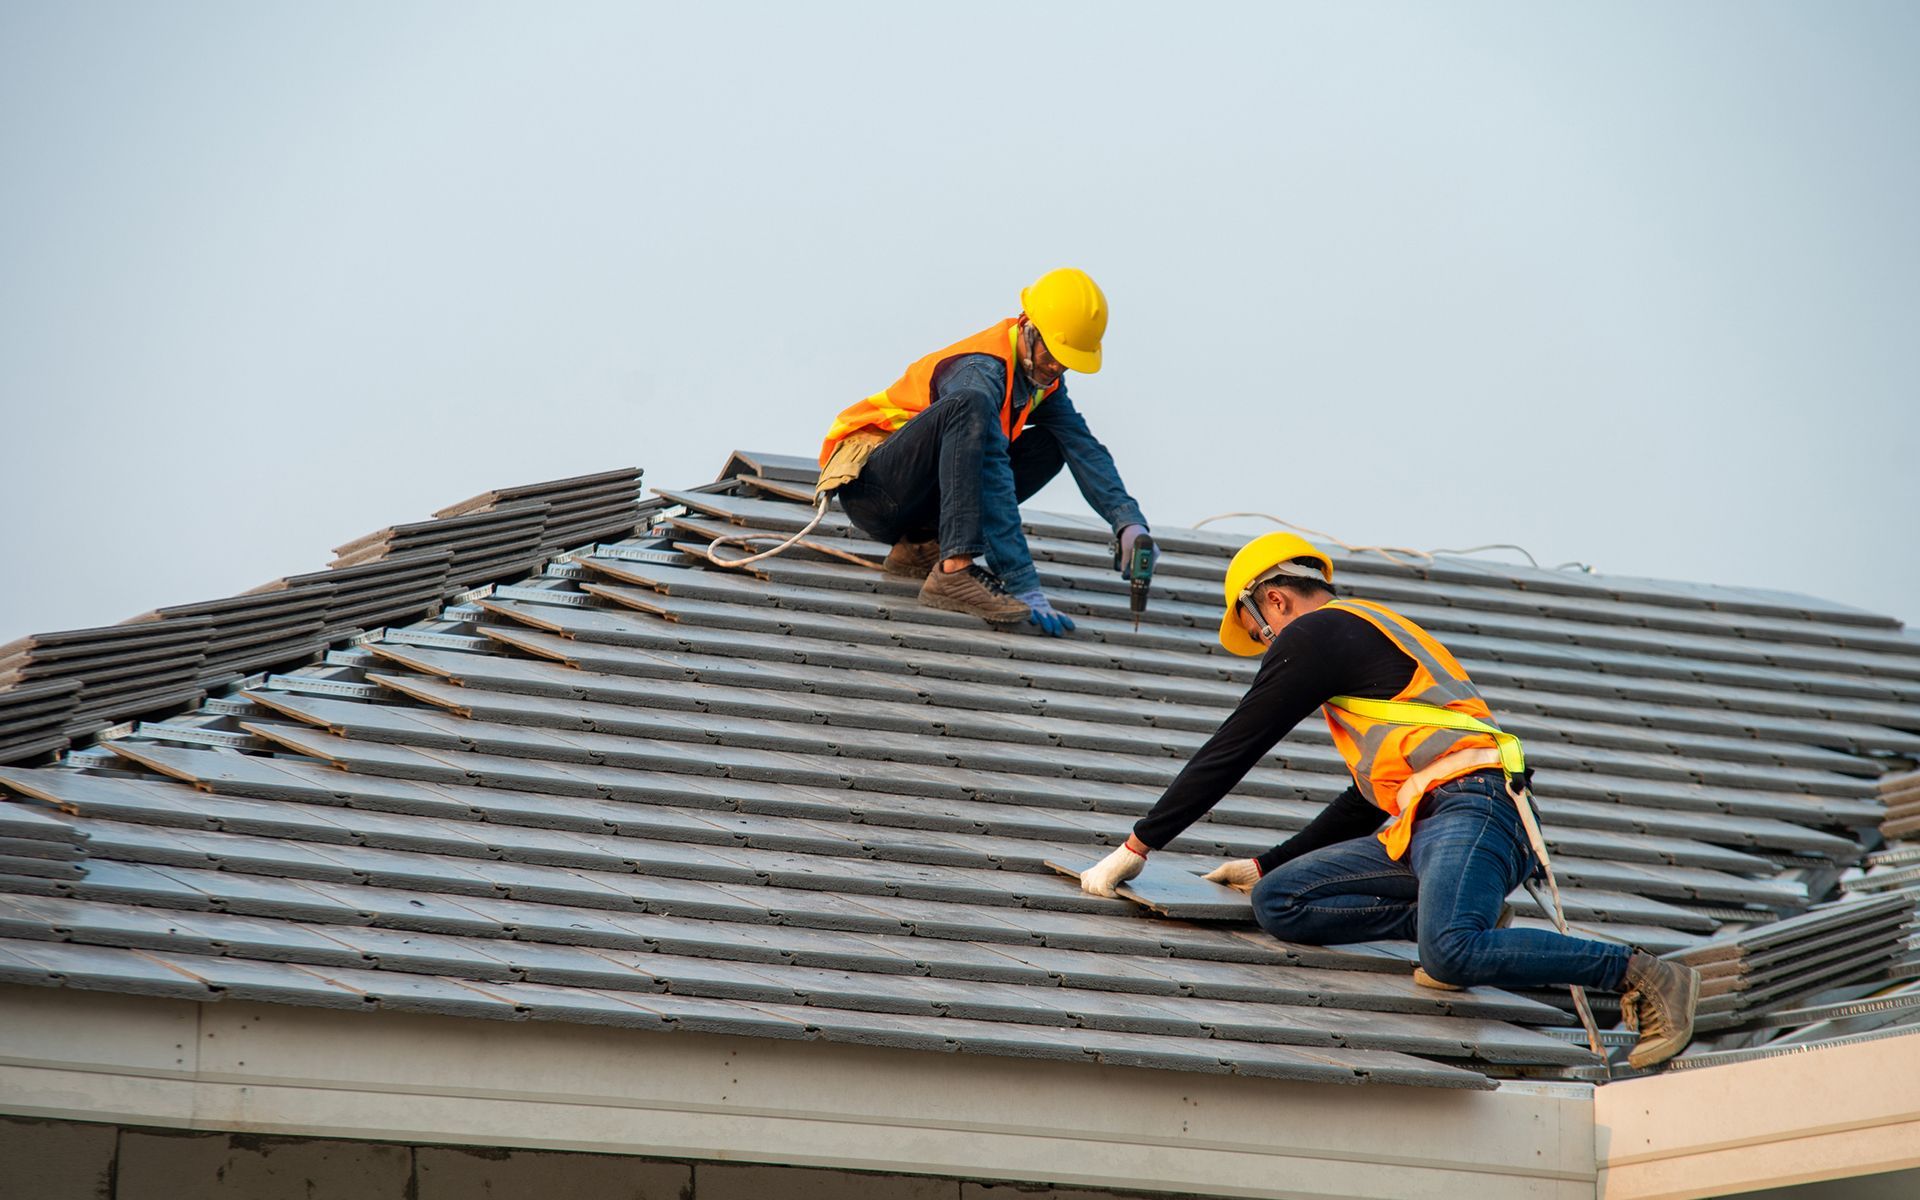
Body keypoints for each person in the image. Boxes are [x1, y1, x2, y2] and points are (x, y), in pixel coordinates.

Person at [1077, 532, 1701, 1070]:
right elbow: (1364, 801)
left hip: (1477, 806)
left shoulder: (1319, 632)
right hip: (1427, 818)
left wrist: (1139, 845)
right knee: (1280, 901)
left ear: (1272, 600)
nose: (1268, 653)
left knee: (1449, 954)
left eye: (1259, 637)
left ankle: (1642, 974)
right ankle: (1447, 912)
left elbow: (1235, 746)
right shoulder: (1362, 638)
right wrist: (1266, 865)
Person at [817, 268, 1154, 635]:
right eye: (1053, 356)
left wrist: (1127, 521)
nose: (1056, 368)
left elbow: (1083, 447)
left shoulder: (1040, 379)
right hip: (875, 489)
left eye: (1065, 362)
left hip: (917, 501)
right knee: (971, 409)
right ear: (1029, 327)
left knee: (1055, 441)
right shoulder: (980, 372)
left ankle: (923, 547)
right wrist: (1022, 580)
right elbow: (990, 474)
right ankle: (954, 571)